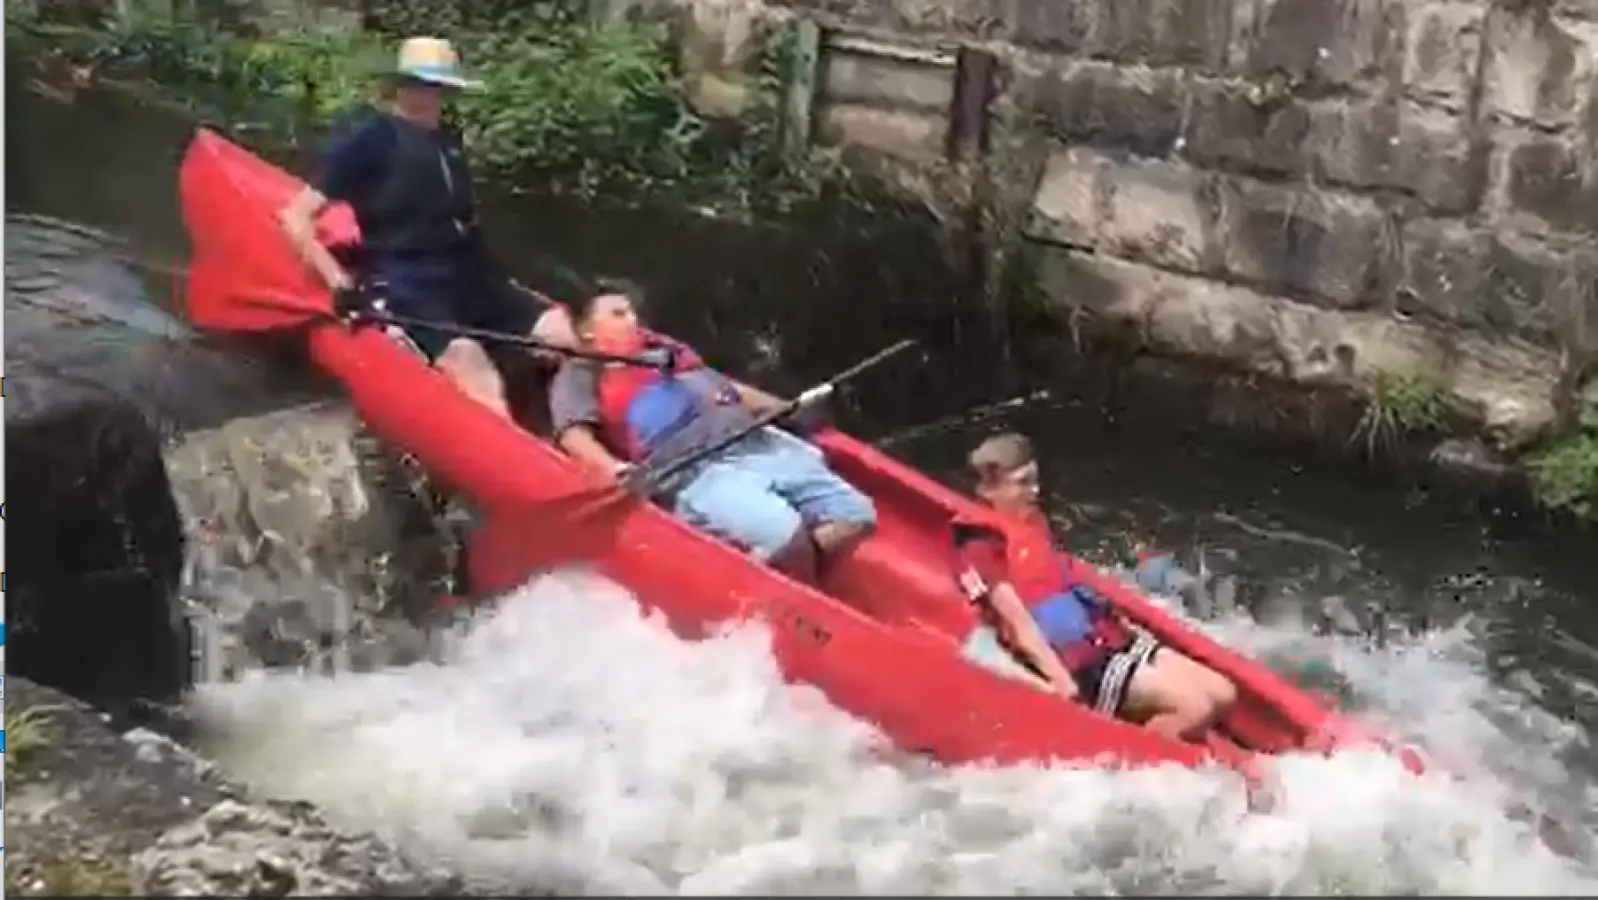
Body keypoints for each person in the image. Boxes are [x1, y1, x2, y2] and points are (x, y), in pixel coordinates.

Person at [277, 36, 575, 419]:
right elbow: (294, 216)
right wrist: (339, 284)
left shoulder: (447, 141)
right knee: (472, 367)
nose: (429, 95)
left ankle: (574, 429)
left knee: (561, 334)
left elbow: (464, 222)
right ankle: (517, 451)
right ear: (400, 86)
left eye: (438, 88)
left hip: (470, 276)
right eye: (421, 85)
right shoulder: (371, 141)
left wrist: (502, 280)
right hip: (409, 283)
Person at [547, 282, 876, 582]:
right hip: (699, 473)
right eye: (618, 314)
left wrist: (785, 408)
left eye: (631, 311)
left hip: (755, 444)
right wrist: (614, 468)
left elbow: (725, 388)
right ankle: (782, 585)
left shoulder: (662, 350)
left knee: (856, 515)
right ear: (588, 331)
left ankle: (792, 577)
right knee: (785, 538)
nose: (632, 320)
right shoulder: (582, 373)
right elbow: (573, 434)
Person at [948, 432, 1237, 742]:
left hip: (1103, 635)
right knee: (1196, 708)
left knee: (1223, 693)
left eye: (1035, 480)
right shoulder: (979, 546)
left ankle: (1169, 727)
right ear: (987, 488)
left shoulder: (1028, 520)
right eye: (1023, 483)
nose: (1036, 490)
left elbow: (1061, 579)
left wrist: (1125, 624)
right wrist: (1063, 685)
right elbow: (1020, 625)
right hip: (1078, 663)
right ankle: (1148, 752)